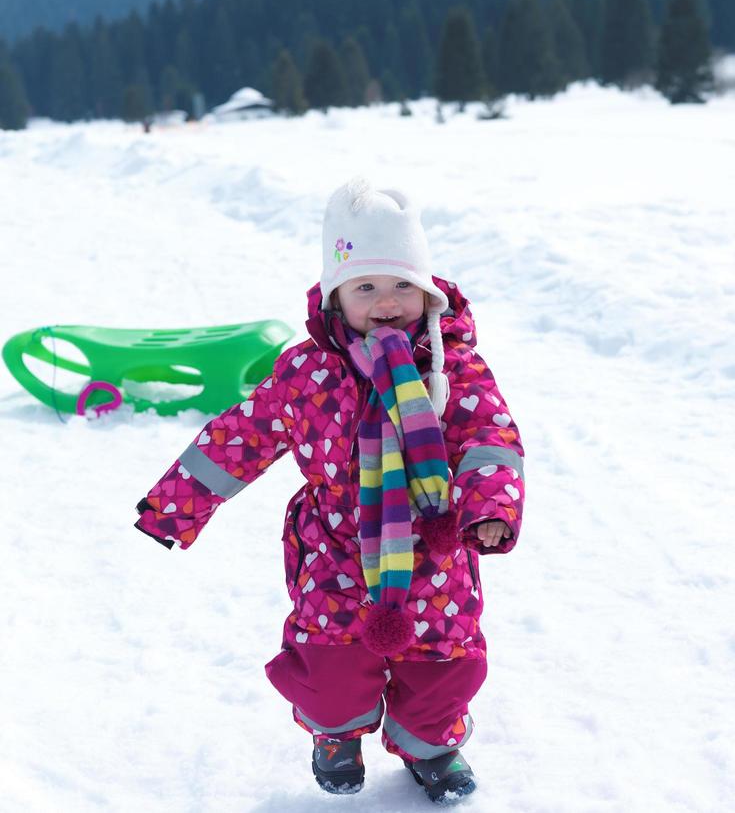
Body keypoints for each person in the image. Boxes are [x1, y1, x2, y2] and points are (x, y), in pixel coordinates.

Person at [134, 178, 525, 804]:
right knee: (330, 664)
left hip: (435, 549)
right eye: (366, 286)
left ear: (428, 292)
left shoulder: (452, 370)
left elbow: (489, 438)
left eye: (403, 284)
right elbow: (240, 438)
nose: (387, 301)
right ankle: (336, 733)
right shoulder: (306, 372)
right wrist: (176, 505)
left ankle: (429, 742)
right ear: (334, 295)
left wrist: (492, 507)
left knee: (443, 667)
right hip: (333, 551)